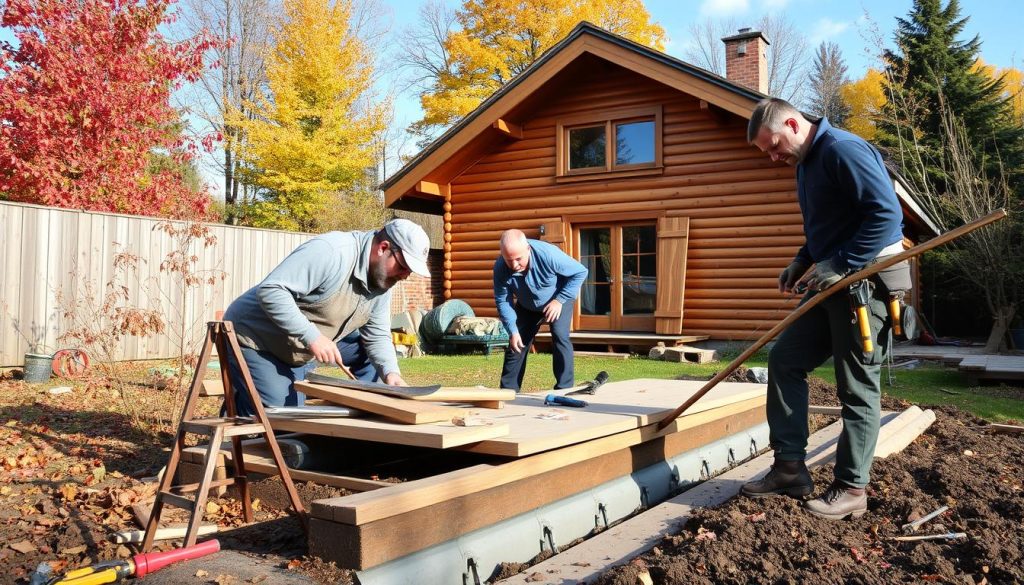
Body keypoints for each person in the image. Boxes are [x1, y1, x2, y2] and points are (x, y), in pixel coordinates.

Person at [740, 97, 911, 520]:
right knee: (785, 359)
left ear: (794, 124)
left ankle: (853, 487)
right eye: (767, 152)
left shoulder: (842, 150)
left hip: (865, 284)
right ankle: (790, 468)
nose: (773, 156)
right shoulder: (806, 163)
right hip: (831, 281)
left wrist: (840, 262)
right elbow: (829, 224)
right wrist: (802, 259)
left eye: (775, 145)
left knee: (856, 387)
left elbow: (885, 215)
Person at [222, 218, 431, 416]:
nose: (405, 276)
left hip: (303, 344)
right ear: (383, 248)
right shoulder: (331, 252)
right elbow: (271, 291)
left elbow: (376, 335)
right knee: (284, 416)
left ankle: (371, 416)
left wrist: (391, 374)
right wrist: (312, 336)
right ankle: (239, 405)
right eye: (403, 267)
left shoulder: (382, 281)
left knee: (371, 359)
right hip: (255, 337)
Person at [493, 229, 588, 391]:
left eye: (518, 259)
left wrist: (559, 300)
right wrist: (513, 330)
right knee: (516, 342)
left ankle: (564, 389)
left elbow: (580, 272)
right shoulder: (501, 268)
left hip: (558, 299)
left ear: (528, 249)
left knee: (560, 336)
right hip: (527, 304)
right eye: (509, 260)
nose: (514, 265)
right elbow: (503, 300)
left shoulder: (548, 255)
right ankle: (508, 392)